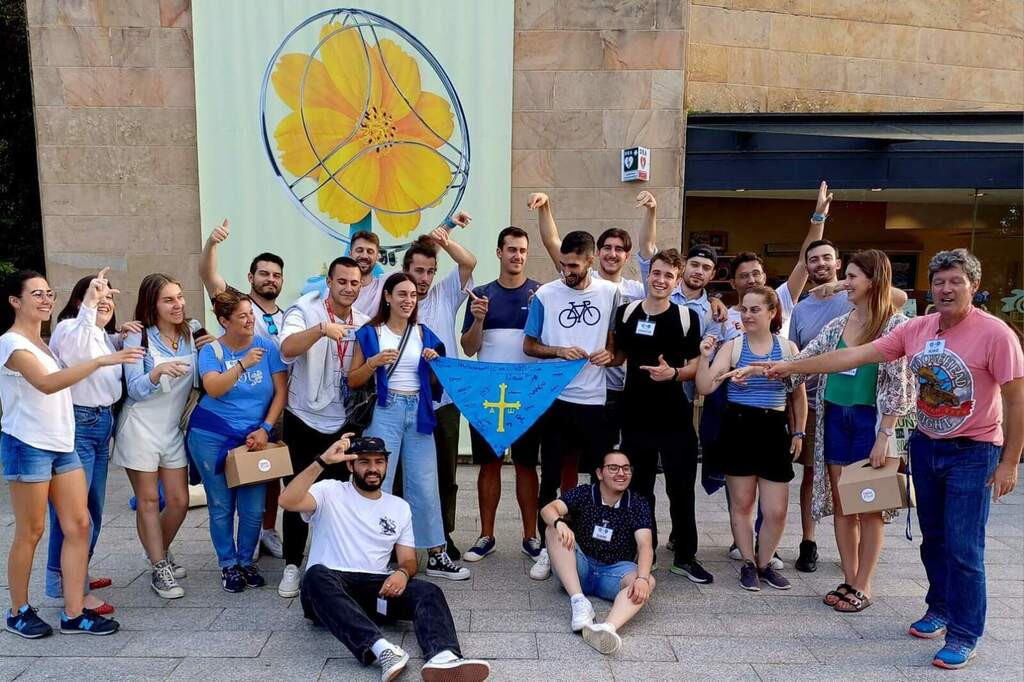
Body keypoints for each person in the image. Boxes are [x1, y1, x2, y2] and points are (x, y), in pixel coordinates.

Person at [759, 249, 1024, 670]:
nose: (946, 289)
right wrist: (787, 366)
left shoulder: (996, 334)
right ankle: (938, 607)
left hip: (974, 450)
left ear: (973, 284)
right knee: (933, 539)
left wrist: (1010, 461)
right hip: (927, 443)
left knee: (963, 546)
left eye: (955, 281)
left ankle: (964, 631)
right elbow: (851, 356)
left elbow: (1015, 399)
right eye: (939, 282)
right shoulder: (918, 329)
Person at [279, 435, 490, 682]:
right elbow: (287, 501)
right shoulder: (329, 491)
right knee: (314, 574)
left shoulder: (398, 507)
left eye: (379, 461)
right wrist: (323, 461)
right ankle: (382, 650)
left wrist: (401, 573)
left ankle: (443, 656)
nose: (372, 468)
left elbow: (408, 560)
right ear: (350, 465)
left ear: (386, 465)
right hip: (327, 589)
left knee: (428, 591)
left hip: (375, 589)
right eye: (364, 461)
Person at [2, 270, 142, 637]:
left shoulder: (46, 343)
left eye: (48, 293)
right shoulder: (10, 343)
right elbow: (46, 384)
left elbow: (82, 340)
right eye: (36, 294)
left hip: (62, 444)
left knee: (79, 525)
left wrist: (102, 320)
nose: (46, 299)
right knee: (30, 531)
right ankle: (18, 611)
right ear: (15, 301)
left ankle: (74, 612)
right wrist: (100, 361)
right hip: (27, 444)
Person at [782, 250, 915, 613]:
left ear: (872, 280)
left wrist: (885, 434)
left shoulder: (894, 325)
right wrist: (769, 368)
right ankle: (850, 576)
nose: (846, 284)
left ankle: (864, 583)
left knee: (869, 507)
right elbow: (805, 359)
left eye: (853, 276)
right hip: (835, 420)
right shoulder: (838, 324)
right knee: (843, 505)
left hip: (871, 425)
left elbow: (901, 387)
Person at [349, 273, 470, 580]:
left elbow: (434, 382)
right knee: (378, 480)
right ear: (387, 297)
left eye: (413, 295)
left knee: (425, 484)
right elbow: (352, 380)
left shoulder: (424, 333)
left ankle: (436, 553)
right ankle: (373, 552)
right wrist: (373, 363)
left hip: (417, 410)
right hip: (383, 410)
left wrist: (433, 364)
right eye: (401, 294)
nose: (408, 300)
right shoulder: (369, 332)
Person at [696, 286, 807, 592]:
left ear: (773, 312)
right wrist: (705, 358)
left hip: (773, 427)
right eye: (744, 309)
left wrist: (799, 431)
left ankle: (765, 561)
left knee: (776, 510)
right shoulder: (732, 346)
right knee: (742, 504)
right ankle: (748, 562)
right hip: (739, 425)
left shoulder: (788, 349)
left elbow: (798, 395)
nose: (747, 315)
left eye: (755, 309)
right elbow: (706, 387)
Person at [523, 230, 619, 581]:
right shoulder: (546, 295)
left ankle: (594, 544)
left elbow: (616, 345)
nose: (567, 271)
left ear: (591, 261)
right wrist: (558, 351)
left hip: (595, 401)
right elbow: (529, 346)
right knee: (549, 476)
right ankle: (550, 549)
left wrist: (613, 355)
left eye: (575, 265)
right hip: (555, 401)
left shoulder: (610, 293)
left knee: (600, 478)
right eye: (563, 264)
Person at [611, 249, 710, 583]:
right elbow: (618, 354)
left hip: (674, 416)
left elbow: (697, 364)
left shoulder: (686, 318)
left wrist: (675, 375)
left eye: (669, 275)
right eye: (657, 273)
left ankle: (685, 555)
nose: (661, 280)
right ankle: (645, 551)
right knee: (639, 489)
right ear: (647, 274)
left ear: (677, 279)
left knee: (681, 488)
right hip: (635, 414)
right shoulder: (626, 313)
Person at [45, 270, 141, 615]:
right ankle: (68, 586)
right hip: (80, 425)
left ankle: (75, 572)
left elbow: (99, 349)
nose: (104, 302)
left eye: (109, 298)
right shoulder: (70, 329)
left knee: (93, 508)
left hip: (102, 423)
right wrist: (91, 303)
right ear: (79, 301)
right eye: (95, 296)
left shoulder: (101, 336)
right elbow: (80, 351)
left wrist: (118, 335)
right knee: (75, 513)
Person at [276, 256, 370, 598]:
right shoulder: (304, 311)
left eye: (354, 283)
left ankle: (335, 562)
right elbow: (286, 349)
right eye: (342, 281)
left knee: (343, 495)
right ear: (328, 282)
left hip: (344, 421)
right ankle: (291, 564)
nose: (348, 288)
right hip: (304, 417)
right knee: (299, 490)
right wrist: (320, 331)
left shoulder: (363, 322)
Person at [115, 273, 211, 599]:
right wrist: (155, 372)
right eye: (168, 299)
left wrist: (213, 351)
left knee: (180, 501)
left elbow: (204, 378)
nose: (178, 305)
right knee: (149, 500)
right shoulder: (138, 339)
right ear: (152, 304)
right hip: (139, 426)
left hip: (172, 429)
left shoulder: (193, 330)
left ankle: (156, 551)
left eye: (180, 297)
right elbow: (135, 389)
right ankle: (159, 568)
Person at [186, 290, 288, 593]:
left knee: (254, 507)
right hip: (212, 435)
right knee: (221, 505)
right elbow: (214, 388)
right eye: (242, 316)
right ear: (223, 321)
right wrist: (242, 364)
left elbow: (280, 393)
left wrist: (266, 429)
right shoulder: (212, 351)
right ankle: (228, 564)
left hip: (252, 438)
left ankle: (246, 561)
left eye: (251, 315)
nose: (249, 320)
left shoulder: (267, 347)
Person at [528, 192, 647, 447]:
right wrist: (546, 205)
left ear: (627, 256)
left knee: (599, 464)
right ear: (597, 255)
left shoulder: (631, 291)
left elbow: (618, 340)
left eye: (619, 249)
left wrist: (612, 353)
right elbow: (552, 242)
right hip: (562, 392)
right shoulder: (565, 282)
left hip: (607, 390)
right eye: (607, 248)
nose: (612, 254)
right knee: (557, 466)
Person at [200, 218, 287, 560]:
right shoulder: (234, 303)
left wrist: (267, 425)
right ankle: (232, 560)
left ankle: (267, 531)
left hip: (274, 408)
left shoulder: (287, 316)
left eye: (276, 275)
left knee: (270, 476)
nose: (270, 279)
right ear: (251, 278)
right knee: (227, 497)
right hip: (226, 420)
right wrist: (212, 244)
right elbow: (208, 275)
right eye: (264, 273)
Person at [460, 226, 543, 562]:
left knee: (526, 465)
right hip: (487, 393)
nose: (517, 256)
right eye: (511, 249)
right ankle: (486, 535)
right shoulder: (480, 294)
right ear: (499, 252)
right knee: (489, 464)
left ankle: (531, 536)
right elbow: (468, 348)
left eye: (522, 250)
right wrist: (478, 320)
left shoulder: (540, 293)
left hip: (527, 393)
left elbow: (543, 342)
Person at [401, 213, 476, 559]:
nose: (425, 278)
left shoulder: (445, 294)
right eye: (419, 271)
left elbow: (469, 261)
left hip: (445, 401)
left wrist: (447, 237)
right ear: (406, 270)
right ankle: (404, 536)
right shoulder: (397, 301)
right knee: (405, 474)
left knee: (445, 473)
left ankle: (443, 536)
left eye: (430, 271)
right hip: (407, 402)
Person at [539, 450, 655, 655]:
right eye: (613, 468)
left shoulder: (638, 503)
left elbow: (645, 545)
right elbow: (548, 509)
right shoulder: (584, 493)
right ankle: (579, 602)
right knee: (552, 530)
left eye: (626, 468)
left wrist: (643, 579)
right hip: (579, 568)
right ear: (600, 473)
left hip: (614, 572)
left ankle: (607, 628)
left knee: (647, 580)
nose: (621, 473)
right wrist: (559, 523)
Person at [351, 230, 385, 317]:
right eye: (359, 250)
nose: (364, 256)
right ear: (350, 254)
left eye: (370, 252)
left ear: (377, 257)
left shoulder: (383, 284)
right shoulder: (334, 289)